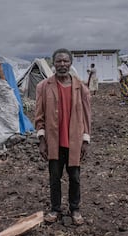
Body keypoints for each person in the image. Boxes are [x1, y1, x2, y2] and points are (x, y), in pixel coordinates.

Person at [35, 48, 91, 226]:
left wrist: (85, 140)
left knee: (74, 177)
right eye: (58, 61)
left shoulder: (80, 87)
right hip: (53, 141)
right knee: (54, 177)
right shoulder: (43, 87)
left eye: (65, 61)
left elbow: (86, 116)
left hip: (74, 141)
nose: (62, 64)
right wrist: (42, 140)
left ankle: (75, 209)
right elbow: (39, 115)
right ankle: (55, 209)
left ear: (71, 63)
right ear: (54, 64)